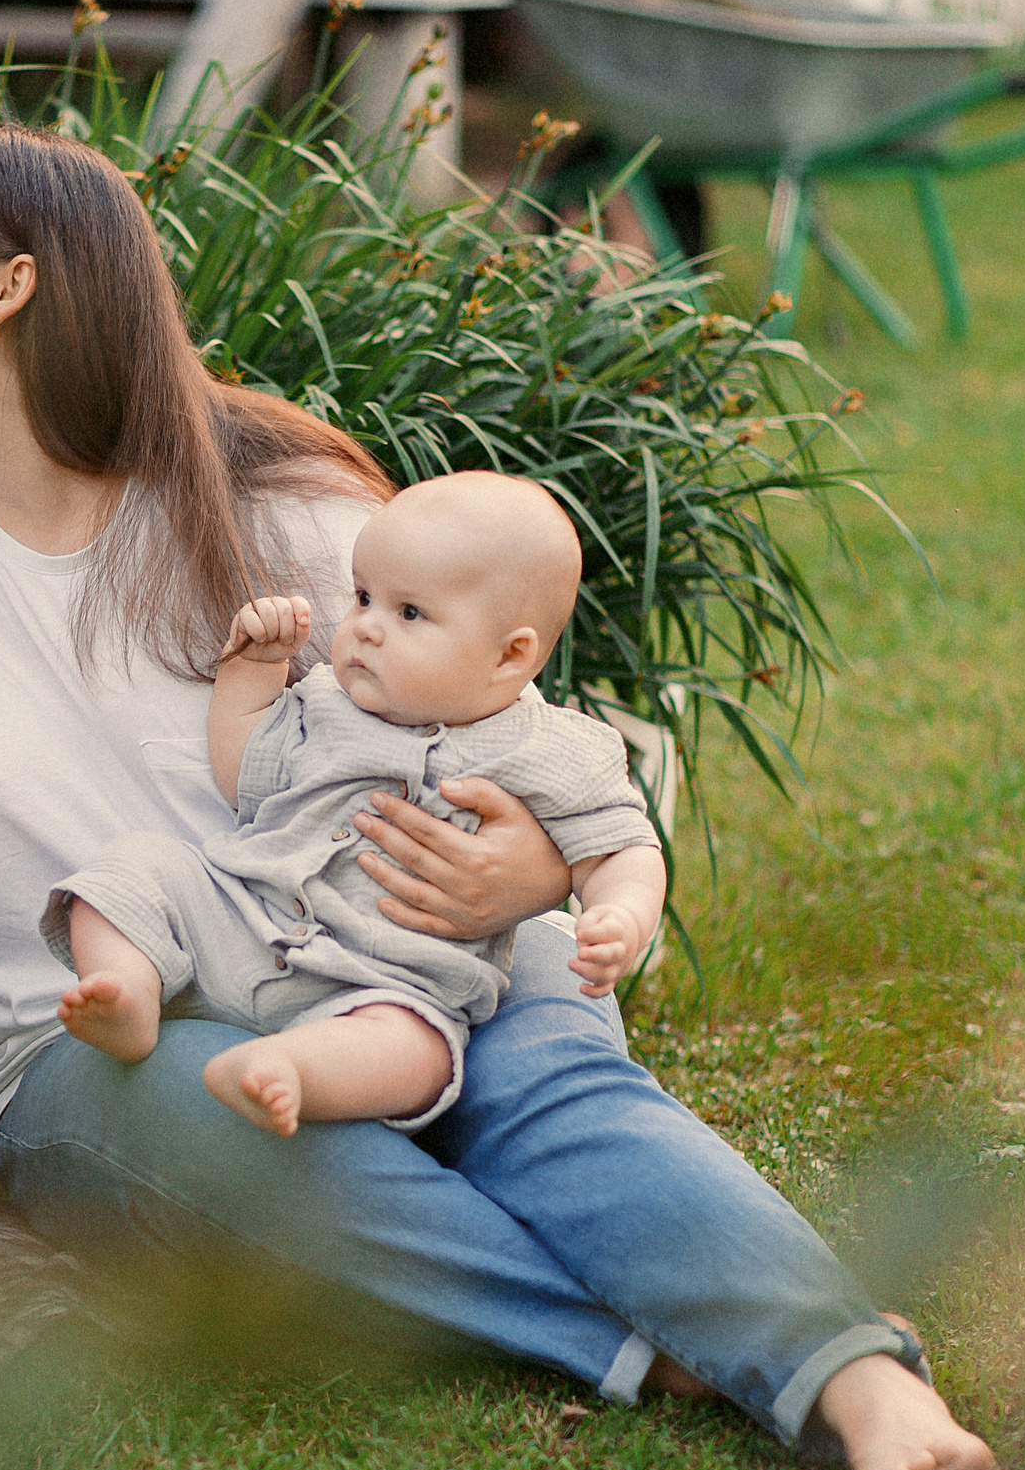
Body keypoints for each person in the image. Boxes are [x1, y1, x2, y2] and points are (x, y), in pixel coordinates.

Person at [0, 122, 998, 1470]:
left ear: (11, 286)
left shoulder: (285, 504)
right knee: (209, 1127)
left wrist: (535, 871)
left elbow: (512, 726)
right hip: (86, 1039)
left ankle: (876, 1399)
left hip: (420, 950)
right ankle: (665, 1341)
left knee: (557, 1098)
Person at [48, 470, 669, 1137]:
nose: (366, 627)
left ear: (508, 657)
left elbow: (622, 849)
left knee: (421, 1050)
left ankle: (294, 1069)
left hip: (387, 983)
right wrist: (251, 668)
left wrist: (621, 916)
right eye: (364, 596)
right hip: (244, 920)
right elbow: (243, 772)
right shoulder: (325, 702)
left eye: (409, 613)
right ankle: (127, 991)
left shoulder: (554, 750)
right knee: (132, 869)